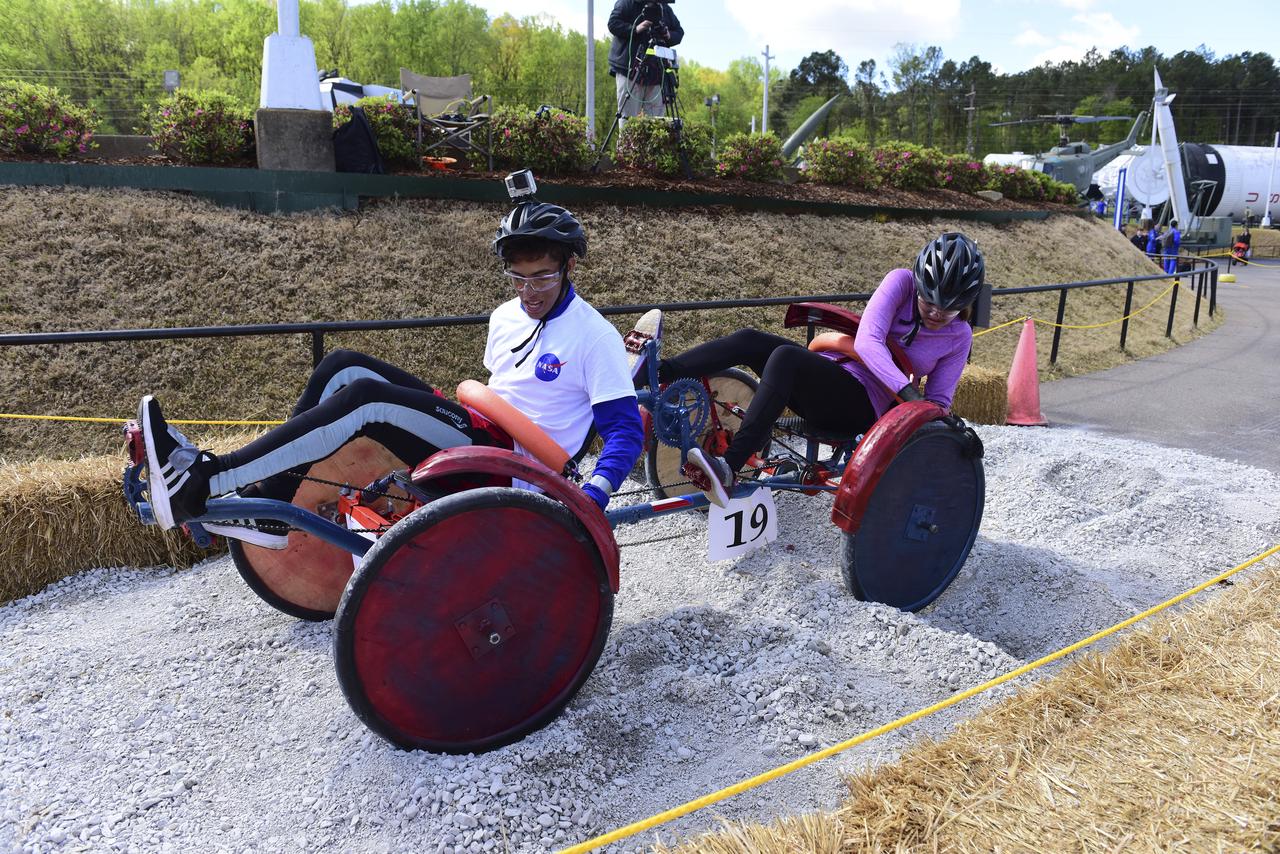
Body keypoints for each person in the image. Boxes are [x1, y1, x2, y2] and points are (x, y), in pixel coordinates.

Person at [137, 199, 655, 547]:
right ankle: (269, 509)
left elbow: (625, 432)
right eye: (518, 277)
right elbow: (504, 389)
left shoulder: (594, 337)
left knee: (366, 398)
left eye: (543, 275)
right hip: (481, 427)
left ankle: (204, 478)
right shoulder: (504, 317)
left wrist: (593, 497)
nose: (530, 290)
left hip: (516, 467)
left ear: (568, 267)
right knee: (342, 366)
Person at [672, 232, 985, 508]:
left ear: (967, 302)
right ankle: (658, 372)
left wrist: (953, 431)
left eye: (948, 308)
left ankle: (727, 468)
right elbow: (867, 341)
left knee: (785, 358)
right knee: (750, 339)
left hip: (867, 408)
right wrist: (907, 389)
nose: (935, 312)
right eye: (928, 300)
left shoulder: (959, 337)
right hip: (835, 375)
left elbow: (938, 402)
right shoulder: (901, 282)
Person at [607, 0, 683, 120]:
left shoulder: (665, 8)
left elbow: (679, 32)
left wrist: (667, 34)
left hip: (656, 73)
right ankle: (626, 139)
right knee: (628, 118)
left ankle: (653, 138)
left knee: (656, 121)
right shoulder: (627, 3)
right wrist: (636, 28)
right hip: (629, 70)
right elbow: (613, 23)